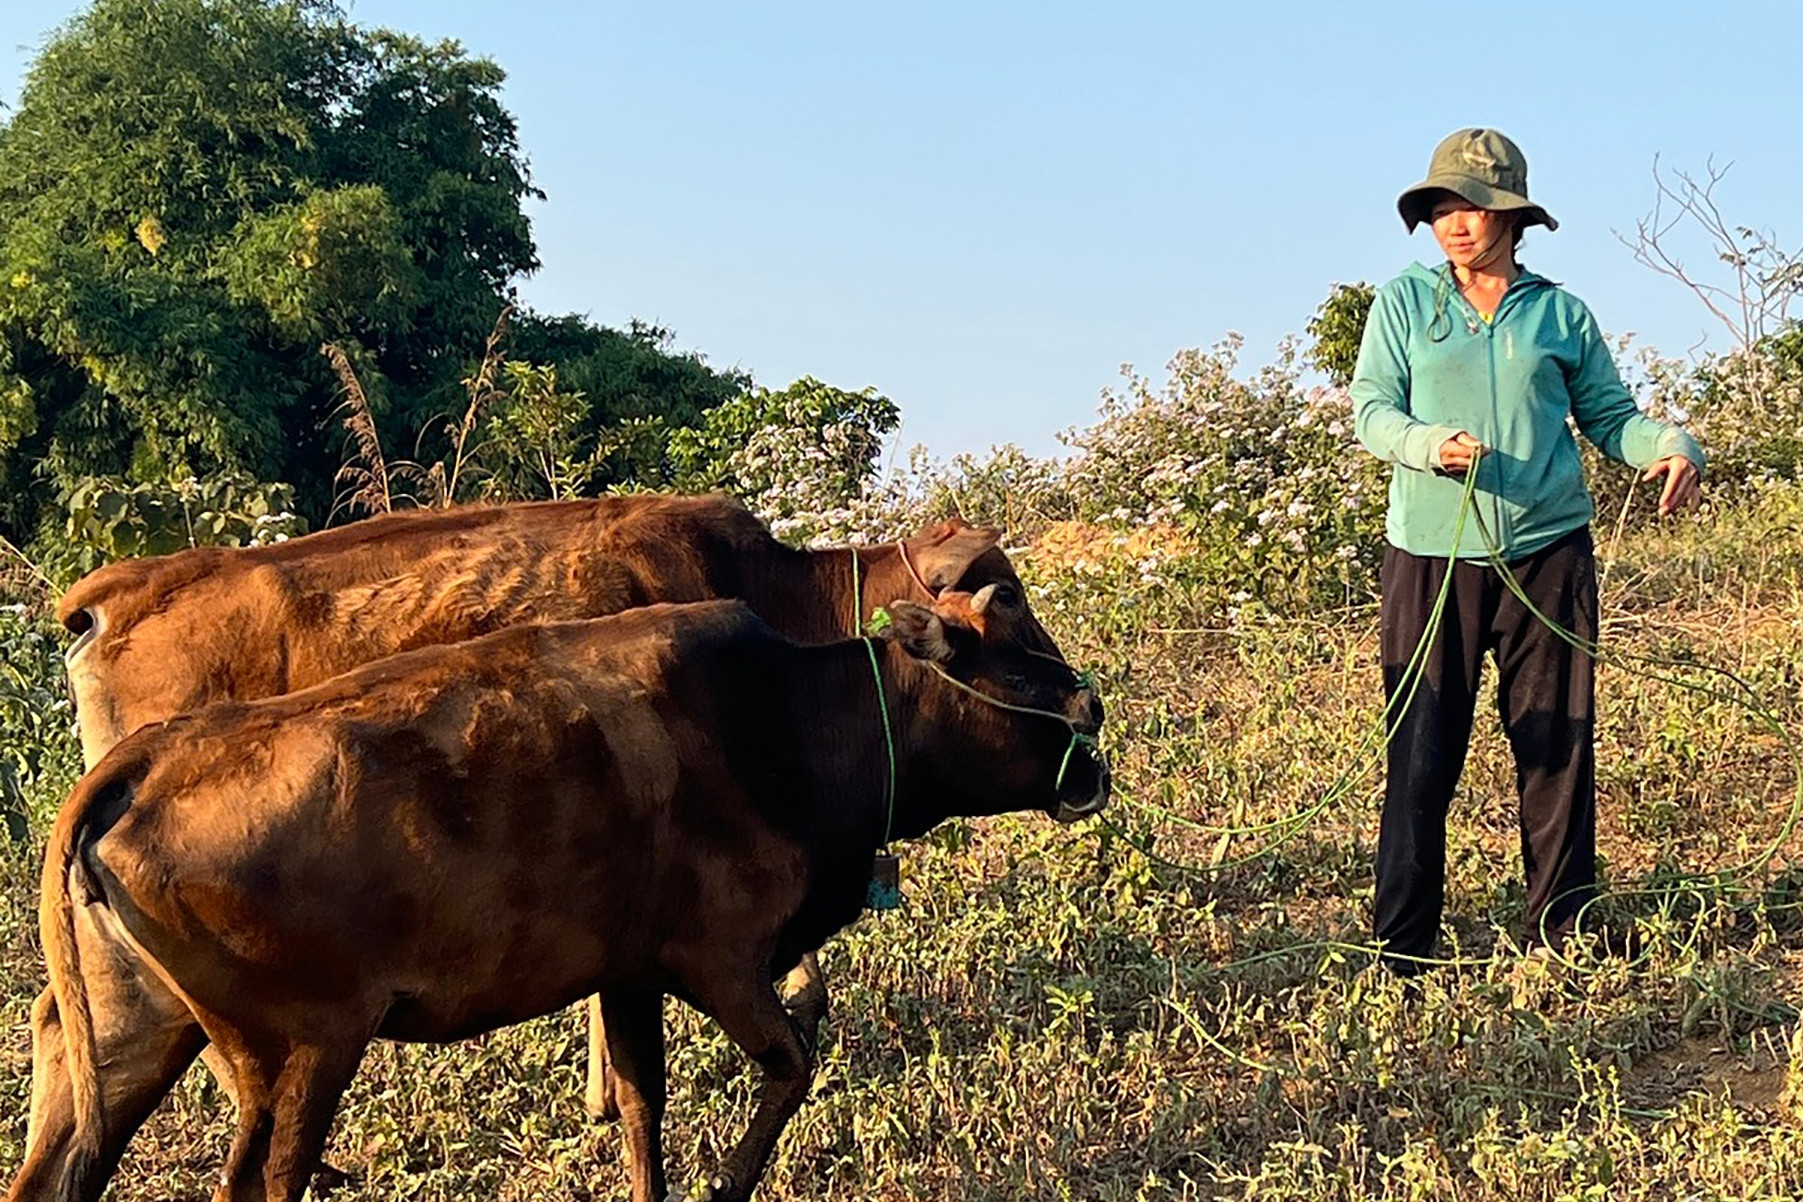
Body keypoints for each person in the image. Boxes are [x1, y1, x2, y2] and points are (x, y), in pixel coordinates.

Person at [1350, 127, 1704, 973]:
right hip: (1430, 560)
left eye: (1469, 207)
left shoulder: (1558, 313)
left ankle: (1562, 933)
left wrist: (1670, 443)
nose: (1453, 224)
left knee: (1556, 747)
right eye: (1439, 209)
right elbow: (1372, 410)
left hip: (1547, 557)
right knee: (1422, 751)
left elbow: (1610, 418)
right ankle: (1402, 949)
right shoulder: (1405, 304)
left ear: (1511, 216)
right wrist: (1428, 443)